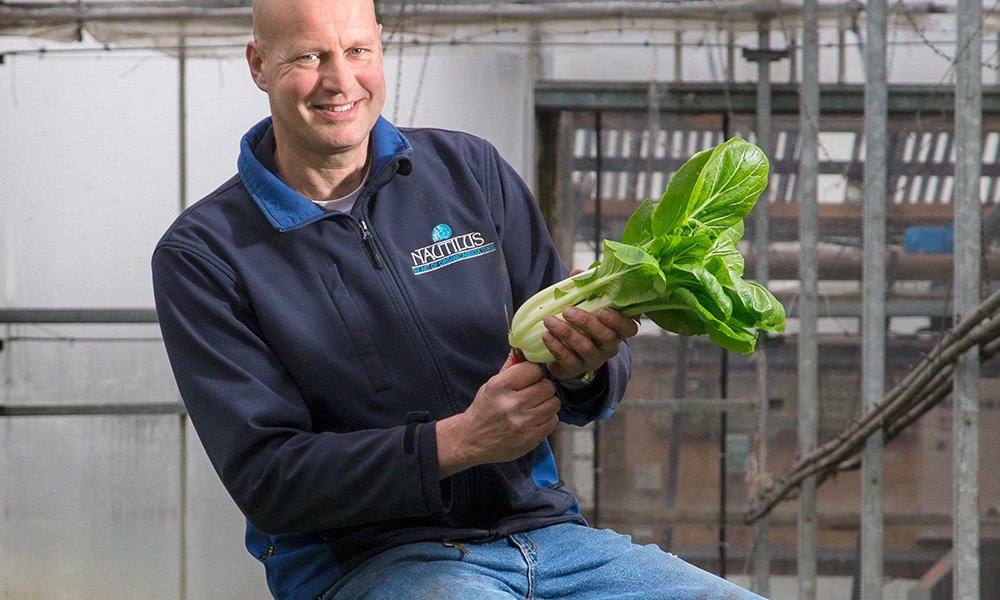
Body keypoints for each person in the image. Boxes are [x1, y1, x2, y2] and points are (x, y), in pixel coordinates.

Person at [152, 0, 765, 598]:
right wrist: (459, 441)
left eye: (357, 50)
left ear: (380, 45)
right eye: (309, 57)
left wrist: (584, 366)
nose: (340, 81)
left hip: (546, 536)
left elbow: (587, 388)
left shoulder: (468, 169)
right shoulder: (206, 253)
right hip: (370, 563)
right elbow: (269, 479)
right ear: (259, 64)